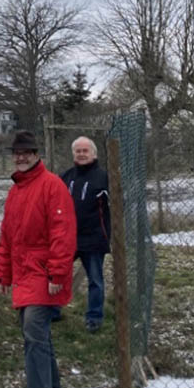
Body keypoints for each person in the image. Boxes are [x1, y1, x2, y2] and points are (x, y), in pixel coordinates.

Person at [0, 131, 76, 388]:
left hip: (43, 274)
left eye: (26, 152)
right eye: (17, 153)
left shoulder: (52, 186)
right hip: (24, 274)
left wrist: (57, 274)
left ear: (36, 154)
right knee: (38, 336)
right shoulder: (16, 191)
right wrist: (3, 274)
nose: (20, 157)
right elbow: (7, 236)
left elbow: (62, 234)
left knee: (33, 332)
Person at [61, 136, 111, 334]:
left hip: (94, 238)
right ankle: (54, 310)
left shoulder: (104, 178)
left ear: (94, 154)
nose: (81, 154)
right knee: (57, 275)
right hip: (67, 238)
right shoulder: (66, 177)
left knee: (95, 281)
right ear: (73, 154)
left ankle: (94, 318)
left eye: (85, 151)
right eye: (78, 151)